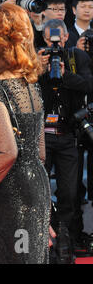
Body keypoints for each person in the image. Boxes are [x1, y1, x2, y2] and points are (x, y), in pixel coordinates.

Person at [0, 3, 54, 264]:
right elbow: (38, 152)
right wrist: (41, 207)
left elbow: (8, 152)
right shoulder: (30, 85)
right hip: (37, 186)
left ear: (1, 43)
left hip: (6, 192)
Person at [37, 18, 93, 254]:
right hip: (41, 137)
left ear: (66, 37)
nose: (55, 45)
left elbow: (89, 85)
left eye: (58, 39)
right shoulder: (36, 58)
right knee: (40, 192)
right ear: (43, 39)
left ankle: (65, 242)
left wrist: (62, 73)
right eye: (50, 40)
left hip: (69, 135)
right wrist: (40, 69)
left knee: (69, 192)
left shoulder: (76, 57)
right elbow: (24, 88)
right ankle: (42, 242)